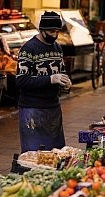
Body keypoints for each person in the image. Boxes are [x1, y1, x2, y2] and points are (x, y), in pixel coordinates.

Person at [16, 11, 72, 153]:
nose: (54, 35)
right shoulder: (28, 49)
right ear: (41, 29)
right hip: (32, 109)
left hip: (53, 108)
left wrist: (65, 82)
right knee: (34, 155)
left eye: (57, 31)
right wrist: (50, 79)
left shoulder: (58, 48)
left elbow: (61, 71)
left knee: (56, 154)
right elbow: (21, 80)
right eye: (51, 31)